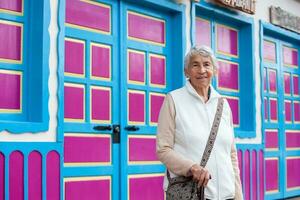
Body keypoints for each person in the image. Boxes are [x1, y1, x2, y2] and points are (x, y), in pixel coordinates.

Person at [156, 45, 243, 200]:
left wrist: (238, 195)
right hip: (191, 193)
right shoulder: (174, 100)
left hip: (226, 194)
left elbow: (231, 155)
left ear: (215, 71)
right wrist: (191, 167)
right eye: (195, 65)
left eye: (207, 64)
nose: (202, 70)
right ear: (186, 71)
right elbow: (163, 150)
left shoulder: (223, 104)